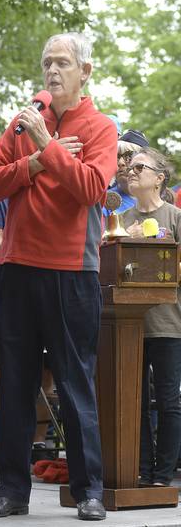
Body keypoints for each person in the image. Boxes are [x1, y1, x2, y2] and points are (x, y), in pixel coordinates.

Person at [0, 31, 117, 522]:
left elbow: (91, 188)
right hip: (16, 268)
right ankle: (11, 491)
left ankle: (89, 490)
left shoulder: (101, 127)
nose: (52, 72)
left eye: (62, 63)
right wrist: (37, 158)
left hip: (71, 272)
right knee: (13, 382)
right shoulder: (21, 125)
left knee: (76, 383)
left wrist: (43, 146)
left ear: (85, 72)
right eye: (46, 64)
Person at [119, 148, 181, 487]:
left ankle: (164, 474)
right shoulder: (122, 222)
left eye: (139, 167)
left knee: (169, 401)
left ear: (159, 178)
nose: (131, 171)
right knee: (135, 400)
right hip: (129, 325)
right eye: (129, 166)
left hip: (168, 323)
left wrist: (160, 259)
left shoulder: (175, 216)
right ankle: (141, 469)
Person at [103, 128, 149, 217]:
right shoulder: (104, 201)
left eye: (129, 157)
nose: (120, 163)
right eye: (117, 157)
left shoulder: (160, 201)